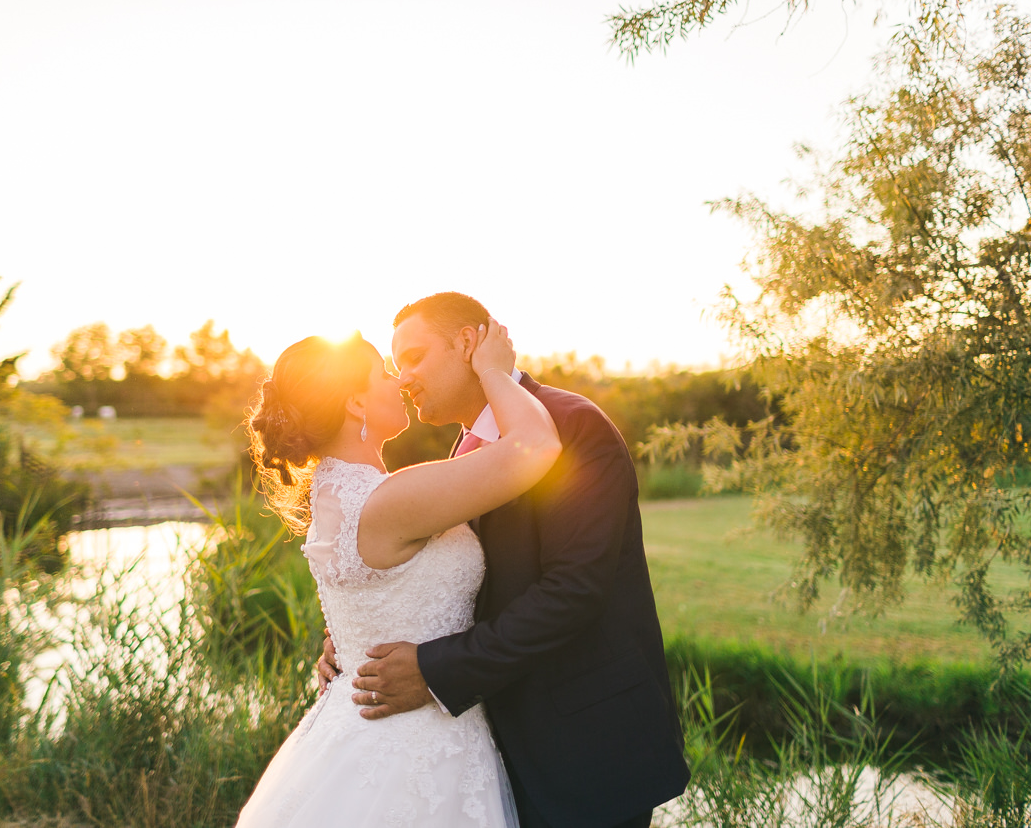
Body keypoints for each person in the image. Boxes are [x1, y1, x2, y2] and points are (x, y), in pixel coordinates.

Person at [340, 292, 691, 828]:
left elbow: (573, 590)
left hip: (583, 745)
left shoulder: (571, 426)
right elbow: (458, 582)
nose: (403, 377)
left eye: (414, 357)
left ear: (467, 343)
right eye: (394, 366)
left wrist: (434, 671)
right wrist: (356, 639)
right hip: (496, 745)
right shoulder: (468, 446)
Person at [234, 320, 561, 827]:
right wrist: (496, 372)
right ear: (356, 404)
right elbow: (537, 446)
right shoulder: (387, 500)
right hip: (417, 743)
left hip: (364, 726)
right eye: (384, 373)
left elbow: (373, 597)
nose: (399, 381)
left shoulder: (335, 494)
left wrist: (341, 643)